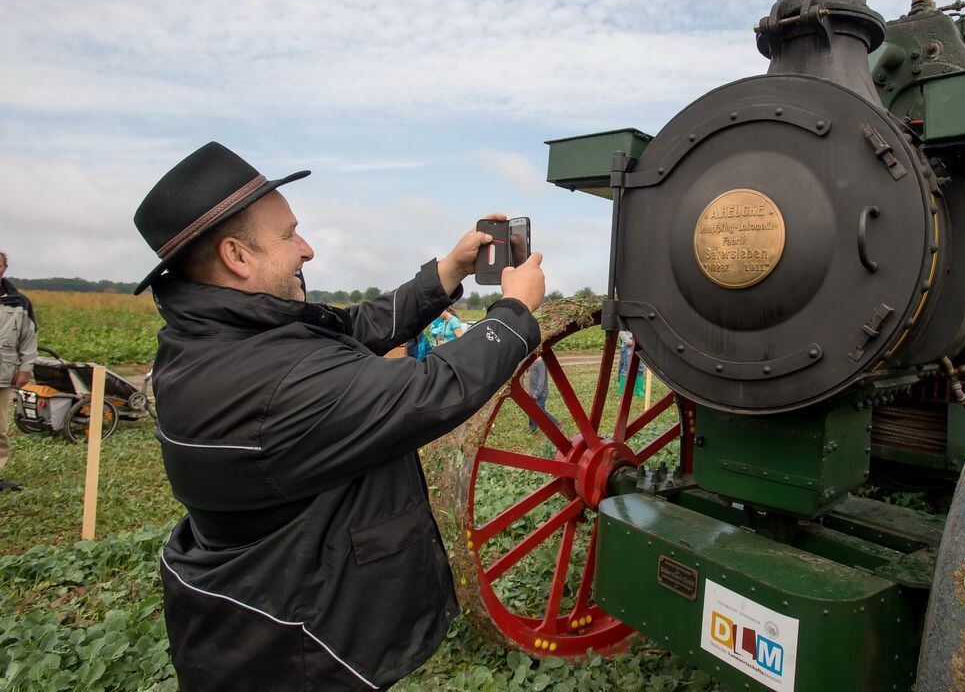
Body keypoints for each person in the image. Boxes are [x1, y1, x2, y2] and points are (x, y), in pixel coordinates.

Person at [132, 142, 545, 690]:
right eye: (288, 234)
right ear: (237, 256)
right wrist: (513, 314)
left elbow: (348, 329)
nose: (307, 249)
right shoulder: (271, 381)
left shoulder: (214, 340)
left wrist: (448, 270)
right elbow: (428, 389)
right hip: (300, 650)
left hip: (250, 622)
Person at [0, 251, 36, 492]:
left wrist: (25, 369)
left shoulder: (18, 302)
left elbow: (28, 339)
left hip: (3, 373)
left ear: (5, 268)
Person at [526, 356, 558, 432]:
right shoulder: (533, 361)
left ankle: (556, 424)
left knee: (540, 411)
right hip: (533, 392)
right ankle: (532, 428)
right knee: (531, 409)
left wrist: (536, 394)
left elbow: (541, 381)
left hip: (540, 393)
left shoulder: (541, 363)